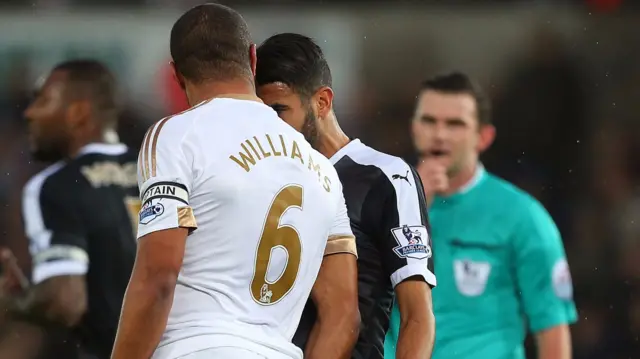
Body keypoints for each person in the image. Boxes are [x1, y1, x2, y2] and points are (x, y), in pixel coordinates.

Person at [111, 5, 359, 359]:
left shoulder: (175, 136)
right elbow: (344, 315)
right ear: (252, 59)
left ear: (177, 75)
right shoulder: (323, 170)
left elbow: (158, 276)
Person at [256, 33, 436, 359]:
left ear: (322, 102)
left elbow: (417, 315)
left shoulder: (385, 178)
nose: (270, 126)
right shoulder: (260, 179)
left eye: (279, 110)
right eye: (262, 114)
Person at [386, 72, 577, 359]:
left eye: (455, 124)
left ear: (483, 137)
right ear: (414, 128)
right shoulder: (379, 204)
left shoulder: (522, 216)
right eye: (429, 121)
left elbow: (552, 327)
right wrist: (411, 204)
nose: (439, 134)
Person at [1, 59, 139, 359]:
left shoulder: (56, 185)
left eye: (43, 100)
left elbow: (65, 300)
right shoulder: (159, 169)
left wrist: (16, 301)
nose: (29, 112)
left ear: (78, 113)